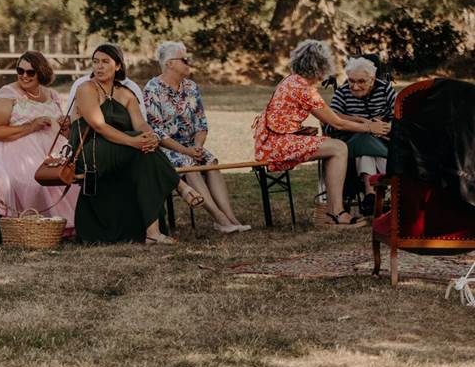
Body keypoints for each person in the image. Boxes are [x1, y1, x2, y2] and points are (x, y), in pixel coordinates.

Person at [69, 45, 184, 245]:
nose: (99, 66)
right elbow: (99, 126)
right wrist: (134, 141)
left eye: (105, 62)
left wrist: (150, 137)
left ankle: (152, 232)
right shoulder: (86, 88)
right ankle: (180, 186)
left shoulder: (125, 93)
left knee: (145, 152)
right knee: (139, 144)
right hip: (89, 151)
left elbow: (140, 124)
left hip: (122, 150)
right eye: (96, 62)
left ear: (118, 66)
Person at [254, 40, 365, 225]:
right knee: (339, 148)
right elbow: (336, 123)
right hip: (275, 146)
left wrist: (359, 121)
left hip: (268, 142)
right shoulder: (303, 89)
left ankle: (332, 211)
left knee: (332, 147)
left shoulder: (292, 80)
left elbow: (328, 115)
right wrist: (369, 127)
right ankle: (336, 212)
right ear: (320, 66)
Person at [143, 42, 249, 234]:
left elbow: (201, 124)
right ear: (169, 63)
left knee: (210, 161)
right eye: (184, 60)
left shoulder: (191, 87)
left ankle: (230, 217)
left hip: (191, 146)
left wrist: (198, 146)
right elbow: (156, 132)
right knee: (188, 163)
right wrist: (186, 151)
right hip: (165, 149)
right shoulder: (152, 89)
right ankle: (219, 218)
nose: (189, 63)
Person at [0, 50, 79, 229]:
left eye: (30, 72)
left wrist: (65, 126)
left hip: (52, 150)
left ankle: (66, 225)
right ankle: (35, 226)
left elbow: (62, 134)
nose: (24, 76)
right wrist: (32, 126)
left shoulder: (52, 95)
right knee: (35, 182)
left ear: (41, 72)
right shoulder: (8, 94)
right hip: (16, 150)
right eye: (20, 71)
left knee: (71, 180)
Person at [328, 56, 395, 214]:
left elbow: (401, 116)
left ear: (372, 80)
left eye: (361, 81)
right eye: (351, 81)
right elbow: (331, 120)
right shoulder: (343, 92)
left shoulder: (385, 89)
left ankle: (371, 196)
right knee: (363, 138)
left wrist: (387, 126)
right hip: (352, 142)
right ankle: (388, 192)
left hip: (382, 141)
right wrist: (362, 123)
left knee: (365, 151)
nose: (355, 86)